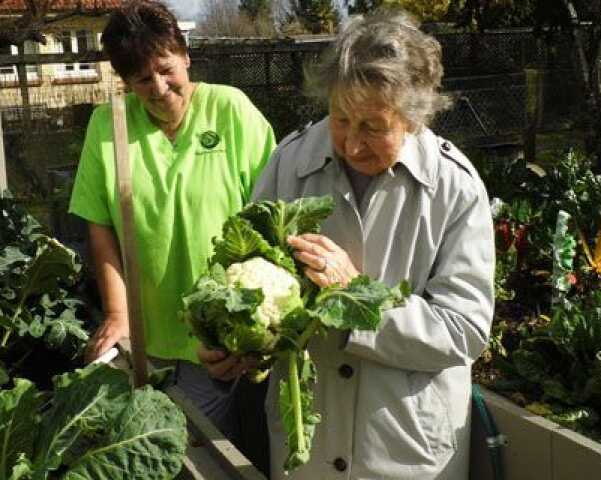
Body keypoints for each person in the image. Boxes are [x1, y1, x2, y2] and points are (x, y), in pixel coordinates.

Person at [199, 9, 495, 480]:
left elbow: (464, 329)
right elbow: (250, 274)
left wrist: (354, 296)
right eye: (340, 118)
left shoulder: (454, 188)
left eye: (373, 127)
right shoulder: (288, 163)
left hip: (406, 452)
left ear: (415, 117)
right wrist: (235, 343)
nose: (352, 145)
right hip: (308, 448)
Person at [68, 0, 275, 473]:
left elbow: (274, 216)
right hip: (157, 338)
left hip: (238, 336)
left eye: (165, 69)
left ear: (185, 55)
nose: (159, 88)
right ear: (125, 83)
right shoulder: (109, 124)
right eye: (142, 80)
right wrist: (119, 315)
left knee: (250, 455)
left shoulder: (231, 110)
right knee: (190, 459)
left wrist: (255, 329)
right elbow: (99, 224)